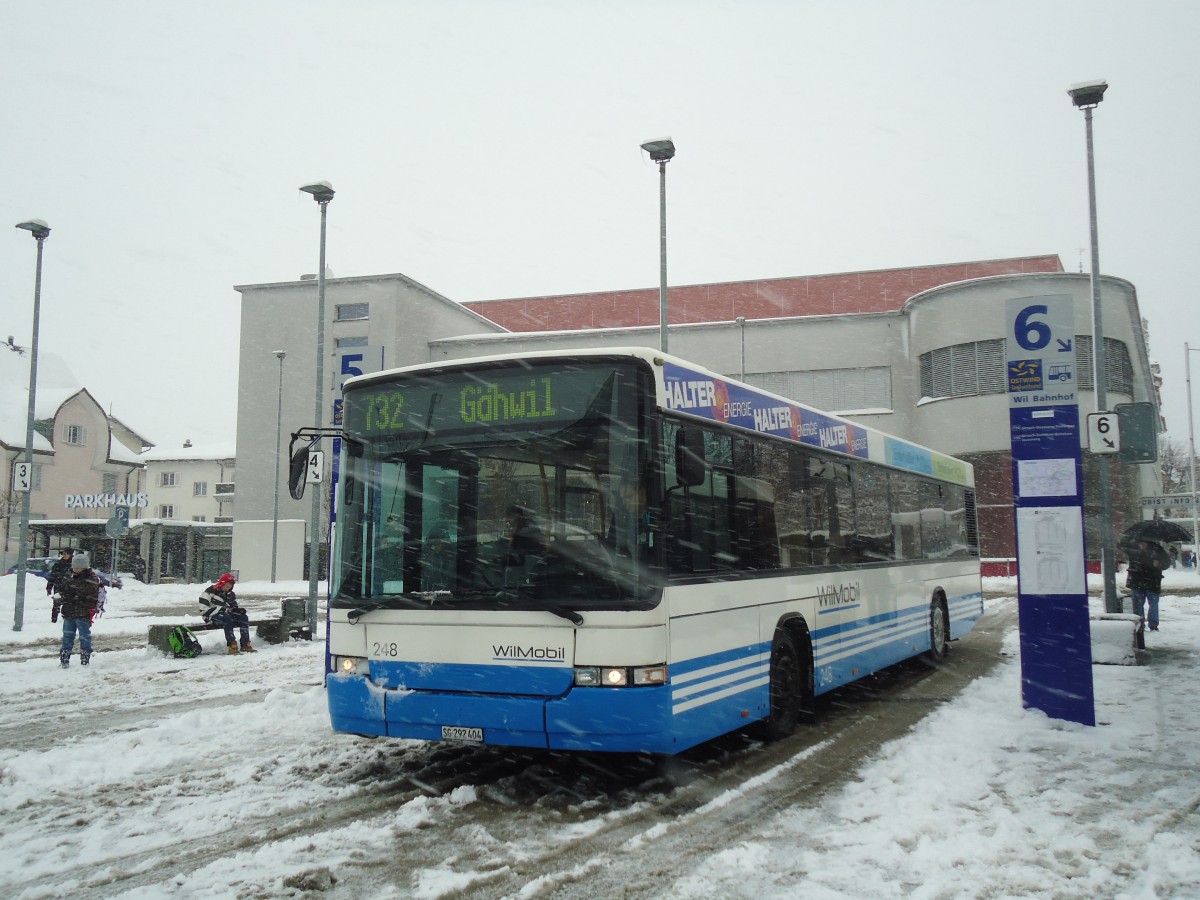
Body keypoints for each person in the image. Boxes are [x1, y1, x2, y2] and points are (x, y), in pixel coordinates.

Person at [52, 551, 100, 668]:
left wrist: (71, 594)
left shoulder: (91, 578)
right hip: (69, 612)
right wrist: (59, 599)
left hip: (83, 613)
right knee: (67, 636)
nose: (75, 569)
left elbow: (87, 594)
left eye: (77, 567)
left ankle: (85, 658)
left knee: (84, 636)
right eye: (74, 566)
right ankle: (64, 659)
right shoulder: (69, 576)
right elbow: (64, 590)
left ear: (84, 567)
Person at [1120, 537, 1171, 632]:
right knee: (1138, 604)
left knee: (1153, 604)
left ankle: (1153, 626)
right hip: (1137, 580)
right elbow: (1121, 546)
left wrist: (1159, 564)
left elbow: (1167, 563)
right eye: (1140, 542)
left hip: (1152, 581)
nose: (1141, 544)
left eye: (1143, 542)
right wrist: (1127, 539)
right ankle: (1140, 625)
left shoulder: (1157, 549)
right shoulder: (1133, 547)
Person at [199, 572, 256, 654]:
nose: (228, 588)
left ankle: (245, 644)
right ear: (222, 584)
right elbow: (203, 609)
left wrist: (238, 611)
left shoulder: (230, 594)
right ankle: (232, 644)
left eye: (230, 587)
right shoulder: (209, 592)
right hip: (211, 616)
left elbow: (233, 608)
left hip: (226, 616)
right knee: (227, 618)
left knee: (243, 618)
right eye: (227, 586)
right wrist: (223, 609)